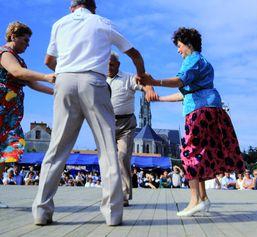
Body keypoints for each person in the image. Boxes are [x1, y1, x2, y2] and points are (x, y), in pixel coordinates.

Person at [32, 0, 149, 226]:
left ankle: (41, 210)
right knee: (107, 148)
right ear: (93, 7)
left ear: (72, 7)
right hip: (94, 81)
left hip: (64, 80)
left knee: (57, 148)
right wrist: (142, 76)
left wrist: (66, 70)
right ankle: (113, 214)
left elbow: (48, 60)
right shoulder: (102, 22)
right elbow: (135, 54)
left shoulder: (59, 23)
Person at [137, 27, 245, 216]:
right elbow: (183, 93)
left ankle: (194, 200)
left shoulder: (192, 60)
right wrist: (159, 99)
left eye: (179, 46)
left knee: (189, 152)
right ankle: (202, 199)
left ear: (188, 44)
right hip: (208, 107)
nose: (178, 50)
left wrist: (155, 82)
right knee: (201, 154)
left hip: (200, 111)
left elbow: (180, 81)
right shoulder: (201, 63)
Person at [0, 21, 54, 208]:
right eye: (25, 40)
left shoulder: (19, 59)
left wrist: (56, 91)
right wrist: (46, 76)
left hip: (9, 113)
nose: (27, 44)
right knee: (5, 148)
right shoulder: (5, 54)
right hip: (2, 109)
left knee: (5, 151)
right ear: (13, 37)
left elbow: (32, 84)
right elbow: (17, 72)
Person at [107, 52, 157, 206]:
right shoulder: (99, 78)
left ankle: (124, 195)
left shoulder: (128, 78)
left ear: (118, 65)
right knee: (108, 160)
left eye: (112, 64)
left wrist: (149, 89)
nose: (108, 67)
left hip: (126, 125)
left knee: (122, 157)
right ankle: (110, 193)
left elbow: (144, 81)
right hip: (106, 123)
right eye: (106, 64)